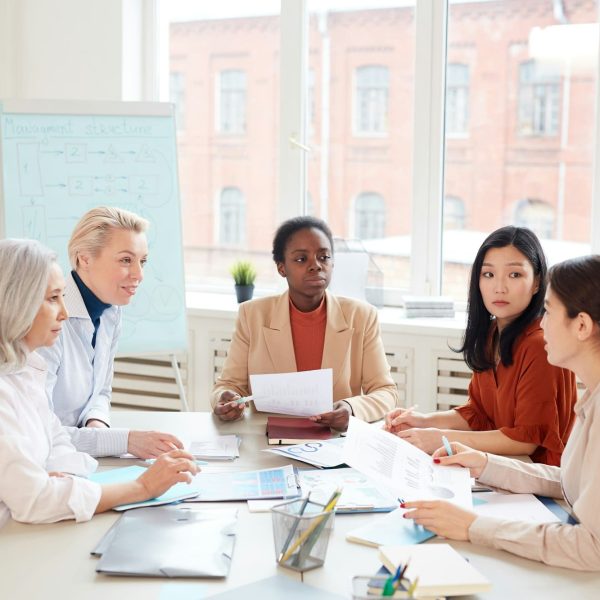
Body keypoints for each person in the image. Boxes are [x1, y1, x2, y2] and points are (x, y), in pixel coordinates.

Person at [402, 255, 600, 571]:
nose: (542, 322)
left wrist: (473, 526)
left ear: (581, 325)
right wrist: (486, 465)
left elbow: (592, 548)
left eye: (548, 311)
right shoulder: (591, 394)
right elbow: (571, 483)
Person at [0, 239, 198, 526]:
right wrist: (142, 488)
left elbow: (57, 444)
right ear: (17, 303)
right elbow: (35, 501)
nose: (64, 313)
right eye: (53, 298)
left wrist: (61, 481)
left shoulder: (29, 370)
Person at [384, 226, 576, 465]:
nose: (499, 287)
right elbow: (478, 414)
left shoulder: (539, 344)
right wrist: (423, 421)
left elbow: (526, 440)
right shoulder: (491, 333)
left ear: (537, 282)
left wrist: (439, 438)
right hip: (499, 467)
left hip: (540, 478)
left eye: (514, 275)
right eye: (488, 274)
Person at [211, 216, 398, 430]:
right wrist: (224, 400)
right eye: (301, 259)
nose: (316, 266)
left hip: (334, 440)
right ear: (282, 268)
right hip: (268, 440)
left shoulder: (362, 316)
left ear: (333, 262)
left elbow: (385, 392)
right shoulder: (252, 315)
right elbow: (228, 385)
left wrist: (351, 408)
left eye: (324, 257)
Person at [37, 206, 183, 459]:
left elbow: (100, 392)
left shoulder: (111, 311)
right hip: (43, 462)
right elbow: (39, 430)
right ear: (84, 258)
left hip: (77, 456)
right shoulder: (47, 320)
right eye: (126, 260)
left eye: (142, 261)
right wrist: (124, 441)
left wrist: (98, 425)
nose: (139, 274)